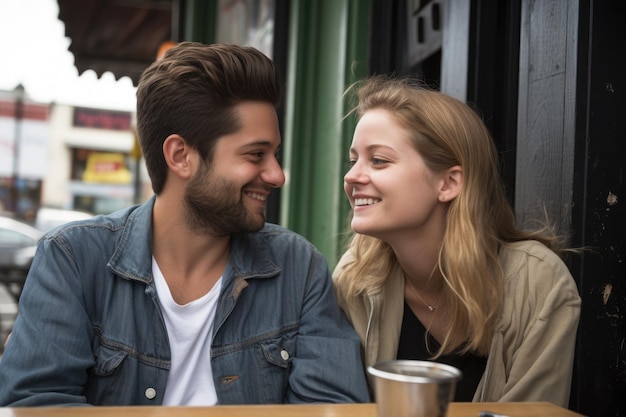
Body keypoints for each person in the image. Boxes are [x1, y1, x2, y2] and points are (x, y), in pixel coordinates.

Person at [0, 42, 369, 406]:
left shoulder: (297, 267)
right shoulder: (75, 259)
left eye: (274, 154)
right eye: (256, 154)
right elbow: (38, 405)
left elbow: (330, 408)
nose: (276, 175)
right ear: (181, 156)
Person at [333, 76, 581, 407]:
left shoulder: (537, 283)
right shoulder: (356, 280)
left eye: (378, 160)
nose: (351, 176)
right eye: (354, 160)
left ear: (449, 183)